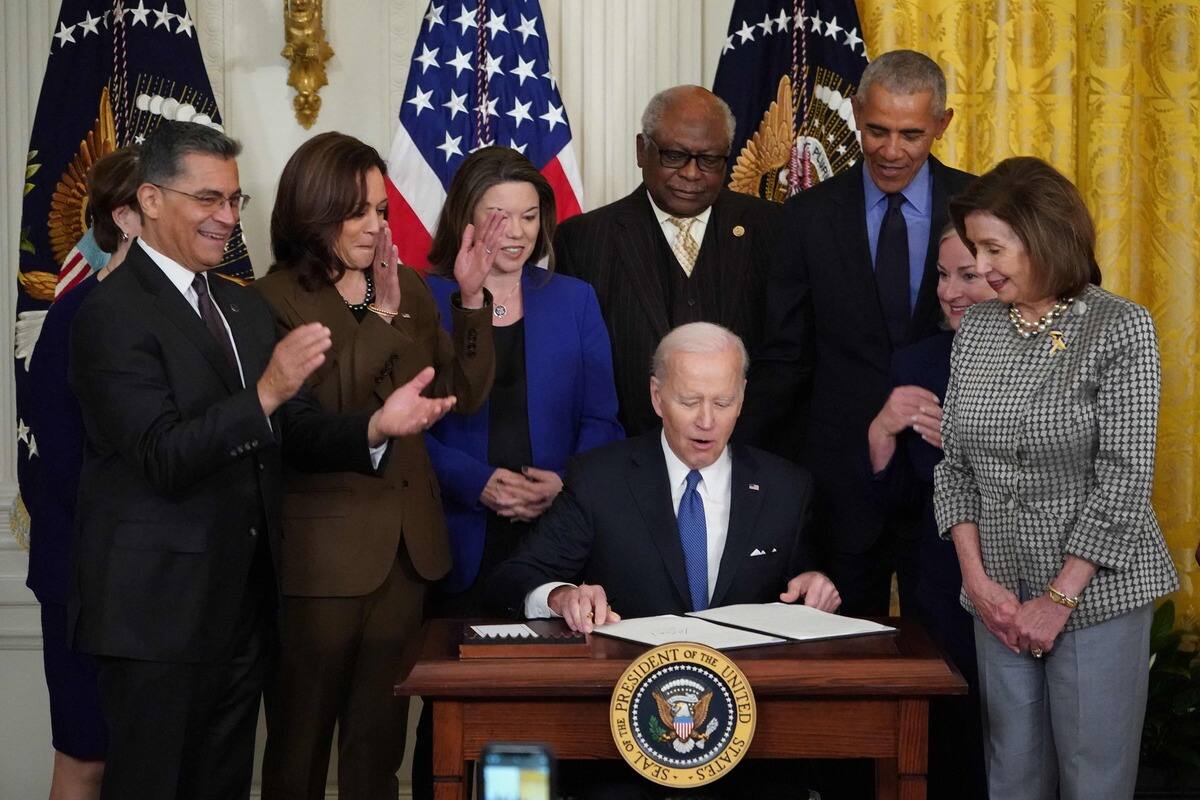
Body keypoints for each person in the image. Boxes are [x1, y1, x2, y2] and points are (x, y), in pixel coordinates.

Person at [67, 121, 460, 800]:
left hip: (244, 606)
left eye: (234, 200)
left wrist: (373, 427)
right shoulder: (112, 312)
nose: (226, 218)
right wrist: (267, 393)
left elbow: (296, 433)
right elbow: (162, 455)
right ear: (150, 200)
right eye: (208, 199)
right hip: (156, 616)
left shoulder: (235, 306)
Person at [486, 322, 837, 800]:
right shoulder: (600, 480)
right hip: (620, 744)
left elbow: (806, 585)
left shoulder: (786, 487)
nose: (707, 421)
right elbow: (513, 578)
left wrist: (817, 584)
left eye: (723, 402)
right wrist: (561, 596)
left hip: (752, 748)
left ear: (743, 398)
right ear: (656, 397)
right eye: (689, 401)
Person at [252, 131, 495, 800]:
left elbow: (460, 392)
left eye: (380, 210)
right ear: (313, 213)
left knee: (378, 748)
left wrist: (472, 301)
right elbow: (321, 418)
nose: (374, 226)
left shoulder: (409, 284)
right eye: (355, 211)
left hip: (408, 555)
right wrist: (382, 318)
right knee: (299, 748)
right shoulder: (272, 300)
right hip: (322, 563)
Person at [934, 156, 1179, 799]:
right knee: (1011, 775)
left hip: (1097, 593)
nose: (981, 267)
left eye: (994, 249)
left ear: (1043, 237)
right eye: (976, 249)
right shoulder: (978, 328)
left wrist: (1059, 598)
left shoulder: (1118, 325)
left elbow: (1125, 476)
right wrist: (977, 581)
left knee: (1093, 779)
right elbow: (955, 467)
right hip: (999, 596)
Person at [740, 50, 974, 618]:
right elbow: (786, 358)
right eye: (877, 130)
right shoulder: (806, 217)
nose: (891, 150)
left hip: (957, 482)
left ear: (942, 124)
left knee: (950, 656)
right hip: (840, 484)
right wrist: (744, 459)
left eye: (911, 134)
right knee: (844, 653)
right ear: (855, 112)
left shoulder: (981, 208)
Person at [423, 145, 623, 614]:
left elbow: (602, 420)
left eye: (529, 217)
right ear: (465, 218)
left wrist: (565, 485)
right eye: (499, 217)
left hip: (555, 537)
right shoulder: (424, 300)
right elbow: (406, 429)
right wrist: (475, 482)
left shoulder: (575, 299)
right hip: (454, 536)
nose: (517, 233)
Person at [554, 85, 781, 437]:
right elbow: (576, 370)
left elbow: (787, 356)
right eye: (674, 156)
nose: (691, 173)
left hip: (748, 451)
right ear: (641, 150)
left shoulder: (772, 229)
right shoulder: (584, 239)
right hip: (627, 453)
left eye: (709, 159)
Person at [25, 147, 141, 800]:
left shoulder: (192, 316)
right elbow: (64, 466)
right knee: (87, 758)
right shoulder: (75, 317)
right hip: (84, 581)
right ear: (125, 217)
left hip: (163, 587)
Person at [865, 225, 994, 800]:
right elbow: (897, 505)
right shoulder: (916, 363)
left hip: (1035, 585)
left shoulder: (1054, 356)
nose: (949, 292)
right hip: (943, 592)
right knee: (952, 753)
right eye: (942, 275)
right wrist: (881, 433)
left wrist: (972, 449)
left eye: (968, 275)